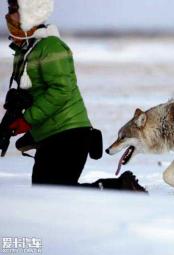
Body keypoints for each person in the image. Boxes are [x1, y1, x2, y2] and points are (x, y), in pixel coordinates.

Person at [4, 0, 146, 192]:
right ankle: (120, 187)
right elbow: (32, 94)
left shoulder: (50, 46)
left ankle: (121, 187)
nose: (8, 15)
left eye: (14, 10)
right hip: (51, 135)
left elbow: (61, 91)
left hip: (68, 134)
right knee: (47, 193)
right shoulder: (26, 51)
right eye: (9, 9)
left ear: (30, 13)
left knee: (54, 193)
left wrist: (27, 120)